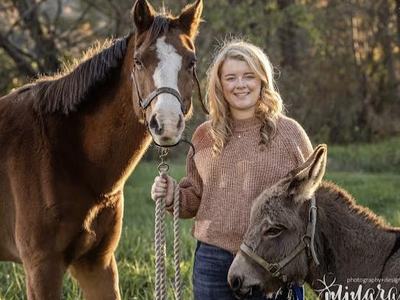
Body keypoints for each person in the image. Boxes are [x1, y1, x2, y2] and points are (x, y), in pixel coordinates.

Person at [151, 39, 312, 300]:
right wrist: (173, 196)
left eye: (249, 76)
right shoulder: (205, 136)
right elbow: (194, 197)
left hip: (268, 259)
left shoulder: (289, 134)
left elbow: (309, 202)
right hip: (212, 259)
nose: (240, 85)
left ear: (262, 81)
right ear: (220, 85)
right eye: (231, 78)